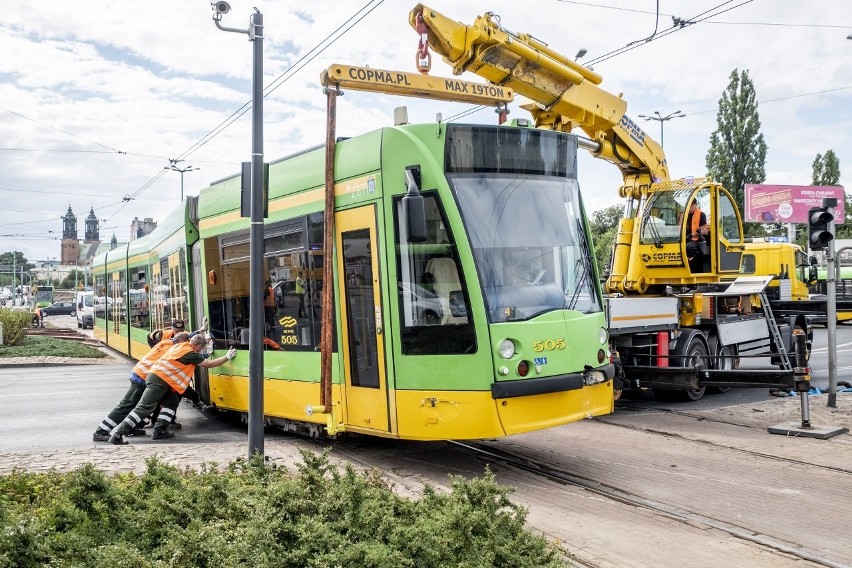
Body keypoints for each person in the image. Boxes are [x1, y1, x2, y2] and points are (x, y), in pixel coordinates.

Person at [108, 335, 237, 444]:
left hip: (160, 379)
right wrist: (227, 357)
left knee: (172, 401)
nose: (199, 351)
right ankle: (118, 434)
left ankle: (159, 430)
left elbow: (195, 358)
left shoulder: (181, 346)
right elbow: (208, 364)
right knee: (144, 407)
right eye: (200, 349)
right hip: (160, 380)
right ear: (198, 346)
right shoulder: (190, 353)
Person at [91, 331, 192, 442]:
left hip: (143, 376)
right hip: (142, 378)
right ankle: (101, 431)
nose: (187, 345)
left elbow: (184, 337)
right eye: (186, 343)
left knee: (170, 401)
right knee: (128, 405)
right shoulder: (173, 349)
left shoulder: (166, 343)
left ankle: (145, 429)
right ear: (181, 342)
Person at [684, 201, 710, 273]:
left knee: (689, 247)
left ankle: (692, 269)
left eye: (692, 205)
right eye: (689, 205)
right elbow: (678, 227)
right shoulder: (683, 214)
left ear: (695, 204)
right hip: (683, 239)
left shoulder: (701, 214)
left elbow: (705, 231)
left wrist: (692, 234)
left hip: (696, 240)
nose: (690, 207)